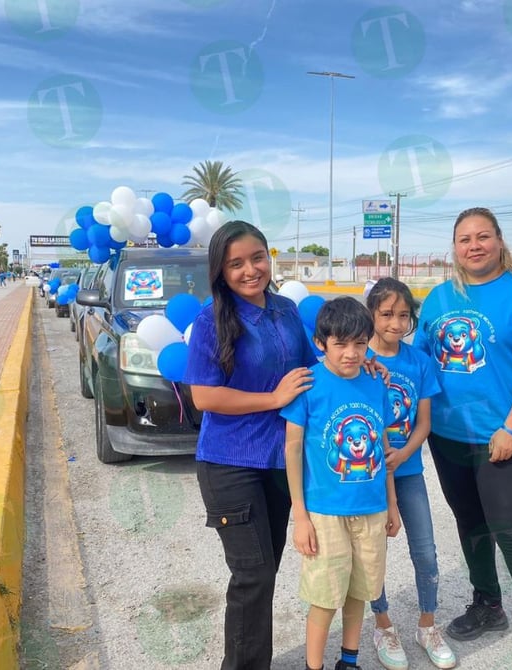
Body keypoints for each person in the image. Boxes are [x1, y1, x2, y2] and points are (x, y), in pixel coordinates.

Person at [414, 207, 512, 670]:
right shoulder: (440, 297)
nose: (474, 245)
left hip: (507, 439)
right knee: (472, 526)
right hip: (447, 437)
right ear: (455, 247)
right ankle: (488, 604)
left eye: (483, 236)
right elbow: (419, 364)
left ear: (499, 241)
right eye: (464, 239)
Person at [183, 220, 318, 669]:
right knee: (253, 575)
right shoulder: (210, 321)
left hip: (280, 462)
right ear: (220, 271)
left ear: (268, 257)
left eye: (257, 258)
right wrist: (274, 398)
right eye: (235, 264)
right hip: (229, 464)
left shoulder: (284, 311)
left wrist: (363, 369)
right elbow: (204, 397)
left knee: (265, 572)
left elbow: (311, 370)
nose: (249, 270)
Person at [281, 297, 400, 670]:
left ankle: (349, 661)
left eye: (360, 343)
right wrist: (300, 518)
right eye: (340, 344)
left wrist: (392, 505)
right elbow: (292, 450)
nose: (351, 353)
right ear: (320, 342)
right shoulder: (309, 385)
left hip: (372, 510)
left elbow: (382, 450)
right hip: (325, 513)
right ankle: (312, 666)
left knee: (359, 592)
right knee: (324, 597)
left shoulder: (375, 383)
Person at [365, 278, 456, 670]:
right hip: (366, 478)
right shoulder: (357, 358)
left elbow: (423, 422)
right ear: (371, 314)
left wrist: (402, 455)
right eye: (386, 314)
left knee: (426, 552)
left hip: (408, 469)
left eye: (404, 316)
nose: (396, 323)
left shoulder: (418, 362)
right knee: (373, 556)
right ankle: (383, 624)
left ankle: (427, 624)